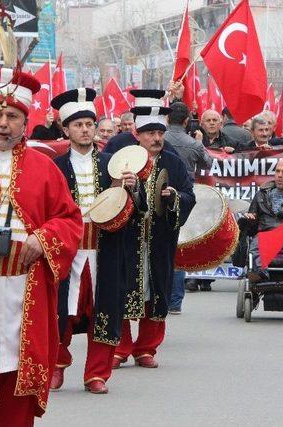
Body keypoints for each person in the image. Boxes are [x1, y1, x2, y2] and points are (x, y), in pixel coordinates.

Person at [0, 67, 82, 425]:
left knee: (17, 379)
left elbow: (68, 219)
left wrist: (43, 240)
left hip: (25, 286)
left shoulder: (45, 168)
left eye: (12, 115)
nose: (3, 123)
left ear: (25, 121)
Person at [49, 88, 134, 394]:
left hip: (105, 249)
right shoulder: (55, 167)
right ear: (66, 129)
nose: (84, 130)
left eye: (89, 124)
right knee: (62, 309)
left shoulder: (113, 164)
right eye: (78, 125)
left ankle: (96, 373)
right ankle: (56, 366)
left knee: (105, 307)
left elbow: (136, 211)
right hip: (67, 251)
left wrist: (130, 190)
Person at [112, 89, 195, 370]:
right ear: (138, 133)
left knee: (157, 289)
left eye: (160, 132)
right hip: (125, 239)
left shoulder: (173, 162)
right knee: (121, 289)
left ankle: (146, 347)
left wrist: (174, 197)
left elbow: (189, 195)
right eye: (150, 133)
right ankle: (120, 346)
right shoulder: (119, 160)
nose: (156, 138)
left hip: (159, 239)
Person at [164, 102, 211, 311]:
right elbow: (208, 163)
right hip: (184, 195)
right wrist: (199, 143)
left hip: (159, 190)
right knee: (176, 244)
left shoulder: (157, 139)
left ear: (167, 119)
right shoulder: (193, 144)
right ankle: (175, 301)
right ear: (186, 121)